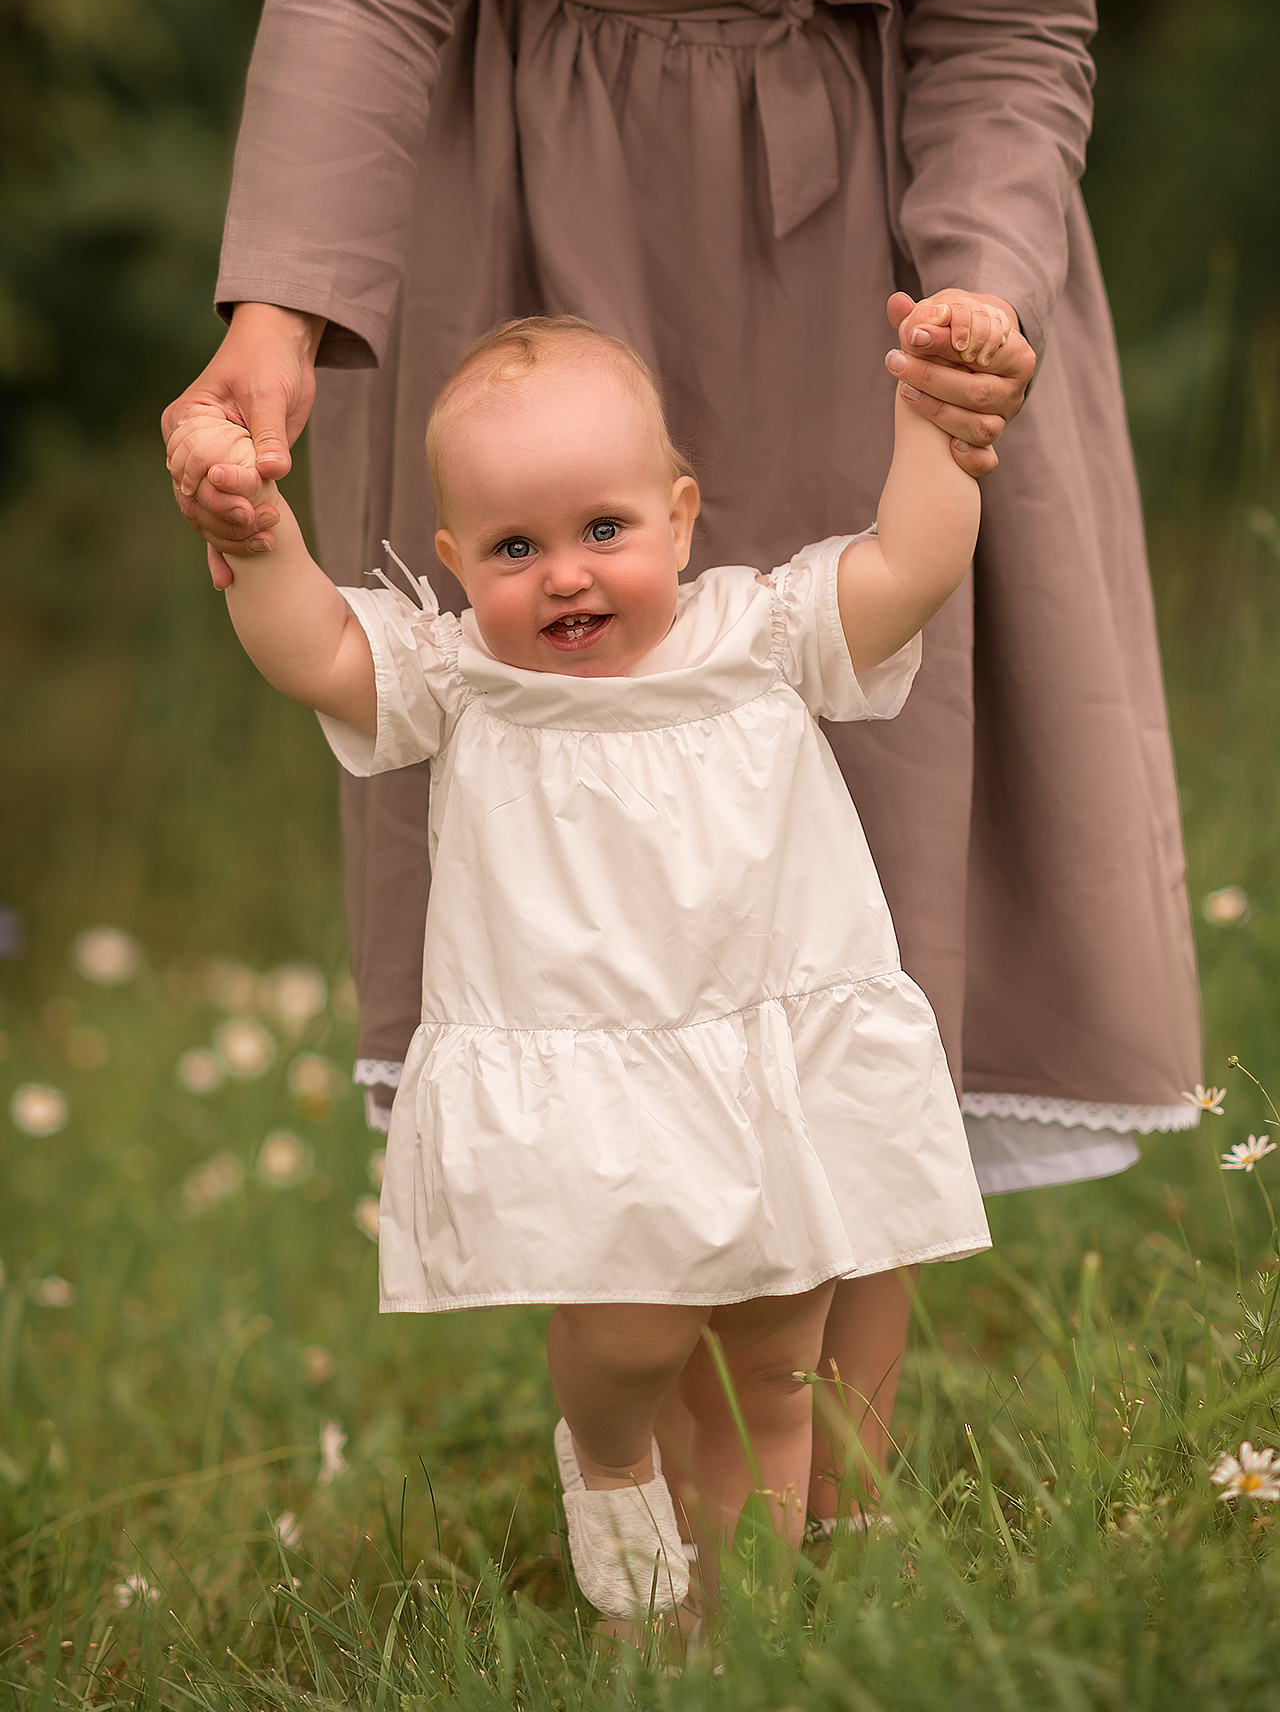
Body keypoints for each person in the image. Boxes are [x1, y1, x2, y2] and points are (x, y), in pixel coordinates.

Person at [162, 0, 1201, 1524]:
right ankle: (635, 1414)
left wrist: (978, 303)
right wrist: (275, 311)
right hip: (525, 195)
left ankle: (817, 1549)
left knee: (863, 852)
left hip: (874, 242)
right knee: (599, 888)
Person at [185, 311, 992, 1610]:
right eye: (515, 548)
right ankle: (610, 1452)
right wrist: (259, 542)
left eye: (603, 531)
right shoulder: (465, 677)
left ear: (680, 517)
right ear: (453, 561)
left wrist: (938, 422)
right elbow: (321, 653)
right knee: (631, 1329)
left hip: (760, 1065)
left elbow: (912, 564)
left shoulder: (760, 634)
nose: (564, 575)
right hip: (595, 1088)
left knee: (779, 1363)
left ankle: (731, 1647)